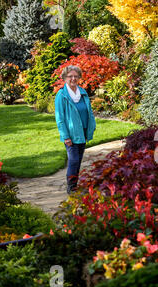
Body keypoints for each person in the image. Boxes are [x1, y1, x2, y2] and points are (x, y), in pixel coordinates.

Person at [55, 65, 96, 194]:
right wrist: (65, 136)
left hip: (83, 131)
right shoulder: (62, 95)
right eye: (70, 76)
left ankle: (75, 184)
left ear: (79, 77)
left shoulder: (83, 93)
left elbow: (89, 111)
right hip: (71, 134)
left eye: (75, 76)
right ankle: (71, 187)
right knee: (73, 160)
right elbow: (60, 118)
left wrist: (92, 126)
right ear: (64, 78)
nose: (73, 78)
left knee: (78, 160)